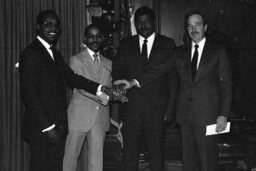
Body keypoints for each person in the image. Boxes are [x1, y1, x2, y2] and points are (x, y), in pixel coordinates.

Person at [116, 11, 232, 171]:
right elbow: (159, 70)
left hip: (209, 117)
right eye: (190, 26)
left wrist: (223, 114)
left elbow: (226, 85)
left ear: (205, 27)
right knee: (189, 163)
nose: (194, 29)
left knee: (208, 163)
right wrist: (133, 82)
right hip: (185, 117)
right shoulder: (180, 52)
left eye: (197, 25)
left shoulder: (218, 50)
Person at [19, 10, 122, 171]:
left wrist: (103, 88)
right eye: (48, 24)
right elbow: (29, 95)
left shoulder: (54, 53)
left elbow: (72, 79)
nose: (52, 28)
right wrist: (48, 127)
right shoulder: (31, 53)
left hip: (57, 126)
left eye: (55, 25)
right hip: (43, 129)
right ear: (38, 27)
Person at [112, 6, 177, 171]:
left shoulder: (167, 44)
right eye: (139, 22)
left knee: (156, 154)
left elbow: (173, 81)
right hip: (131, 109)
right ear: (135, 24)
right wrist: (119, 88)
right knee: (130, 154)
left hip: (157, 110)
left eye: (147, 21)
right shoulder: (126, 43)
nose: (143, 25)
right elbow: (117, 72)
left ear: (154, 22)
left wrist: (170, 108)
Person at [62, 24, 112, 171]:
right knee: (70, 159)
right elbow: (82, 88)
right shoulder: (76, 60)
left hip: (100, 118)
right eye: (91, 36)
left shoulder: (108, 63)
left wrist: (116, 92)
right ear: (85, 39)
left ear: (102, 39)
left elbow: (109, 85)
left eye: (98, 36)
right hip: (78, 117)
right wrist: (107, 97)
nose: (94, 39)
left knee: (97, 163)